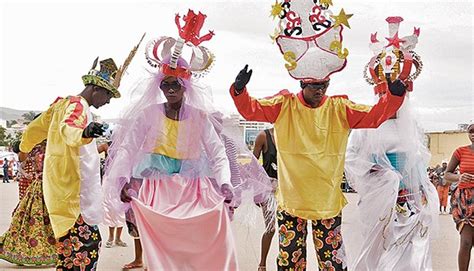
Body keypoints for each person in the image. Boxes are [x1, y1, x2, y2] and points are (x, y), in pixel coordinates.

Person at [104, 11, 240, 270]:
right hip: (156, 188)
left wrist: (224, 183)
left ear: (186, 86)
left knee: (200, 243)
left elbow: (217, 153)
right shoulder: (148, 115)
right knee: (160, 249)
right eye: (166, 84)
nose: (170, 89)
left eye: (176, 84)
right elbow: (127, 149)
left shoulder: (200, 118)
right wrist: (122, 178)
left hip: (193, 187)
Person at [18, 49, 137, 270]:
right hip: (74, 195)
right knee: (85, 249)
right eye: (108, 96)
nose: (108, 102)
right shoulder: (77, 105)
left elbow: (35, 129)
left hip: (63, 190)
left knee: (70, 251)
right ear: (95, 89)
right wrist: (86, 132)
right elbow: (70, 128)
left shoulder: (60, 105)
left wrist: (23, 147)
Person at [0, 140, 57, 266]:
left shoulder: (55, 143)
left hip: (50, 186)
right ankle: (29, 250)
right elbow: (21, 159)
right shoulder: (32, 146)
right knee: (30, 217)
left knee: (48, 219)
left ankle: (52, 251)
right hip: (39, 186)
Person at [445, 123, 474, 271]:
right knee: (466, 242)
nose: (473, 134)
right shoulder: (460, 152)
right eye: (470, 131)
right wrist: (460, 177)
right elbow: (447, 174)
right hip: (465, 202)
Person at [253, 128, 277, 271]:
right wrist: (256, 190)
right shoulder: (264, 136)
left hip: (287, 189)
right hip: (268, 188)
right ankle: (262, 264)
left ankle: (287, 262)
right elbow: (252, 165)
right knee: (271, 228)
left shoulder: (291, 135)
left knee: (290, 229)